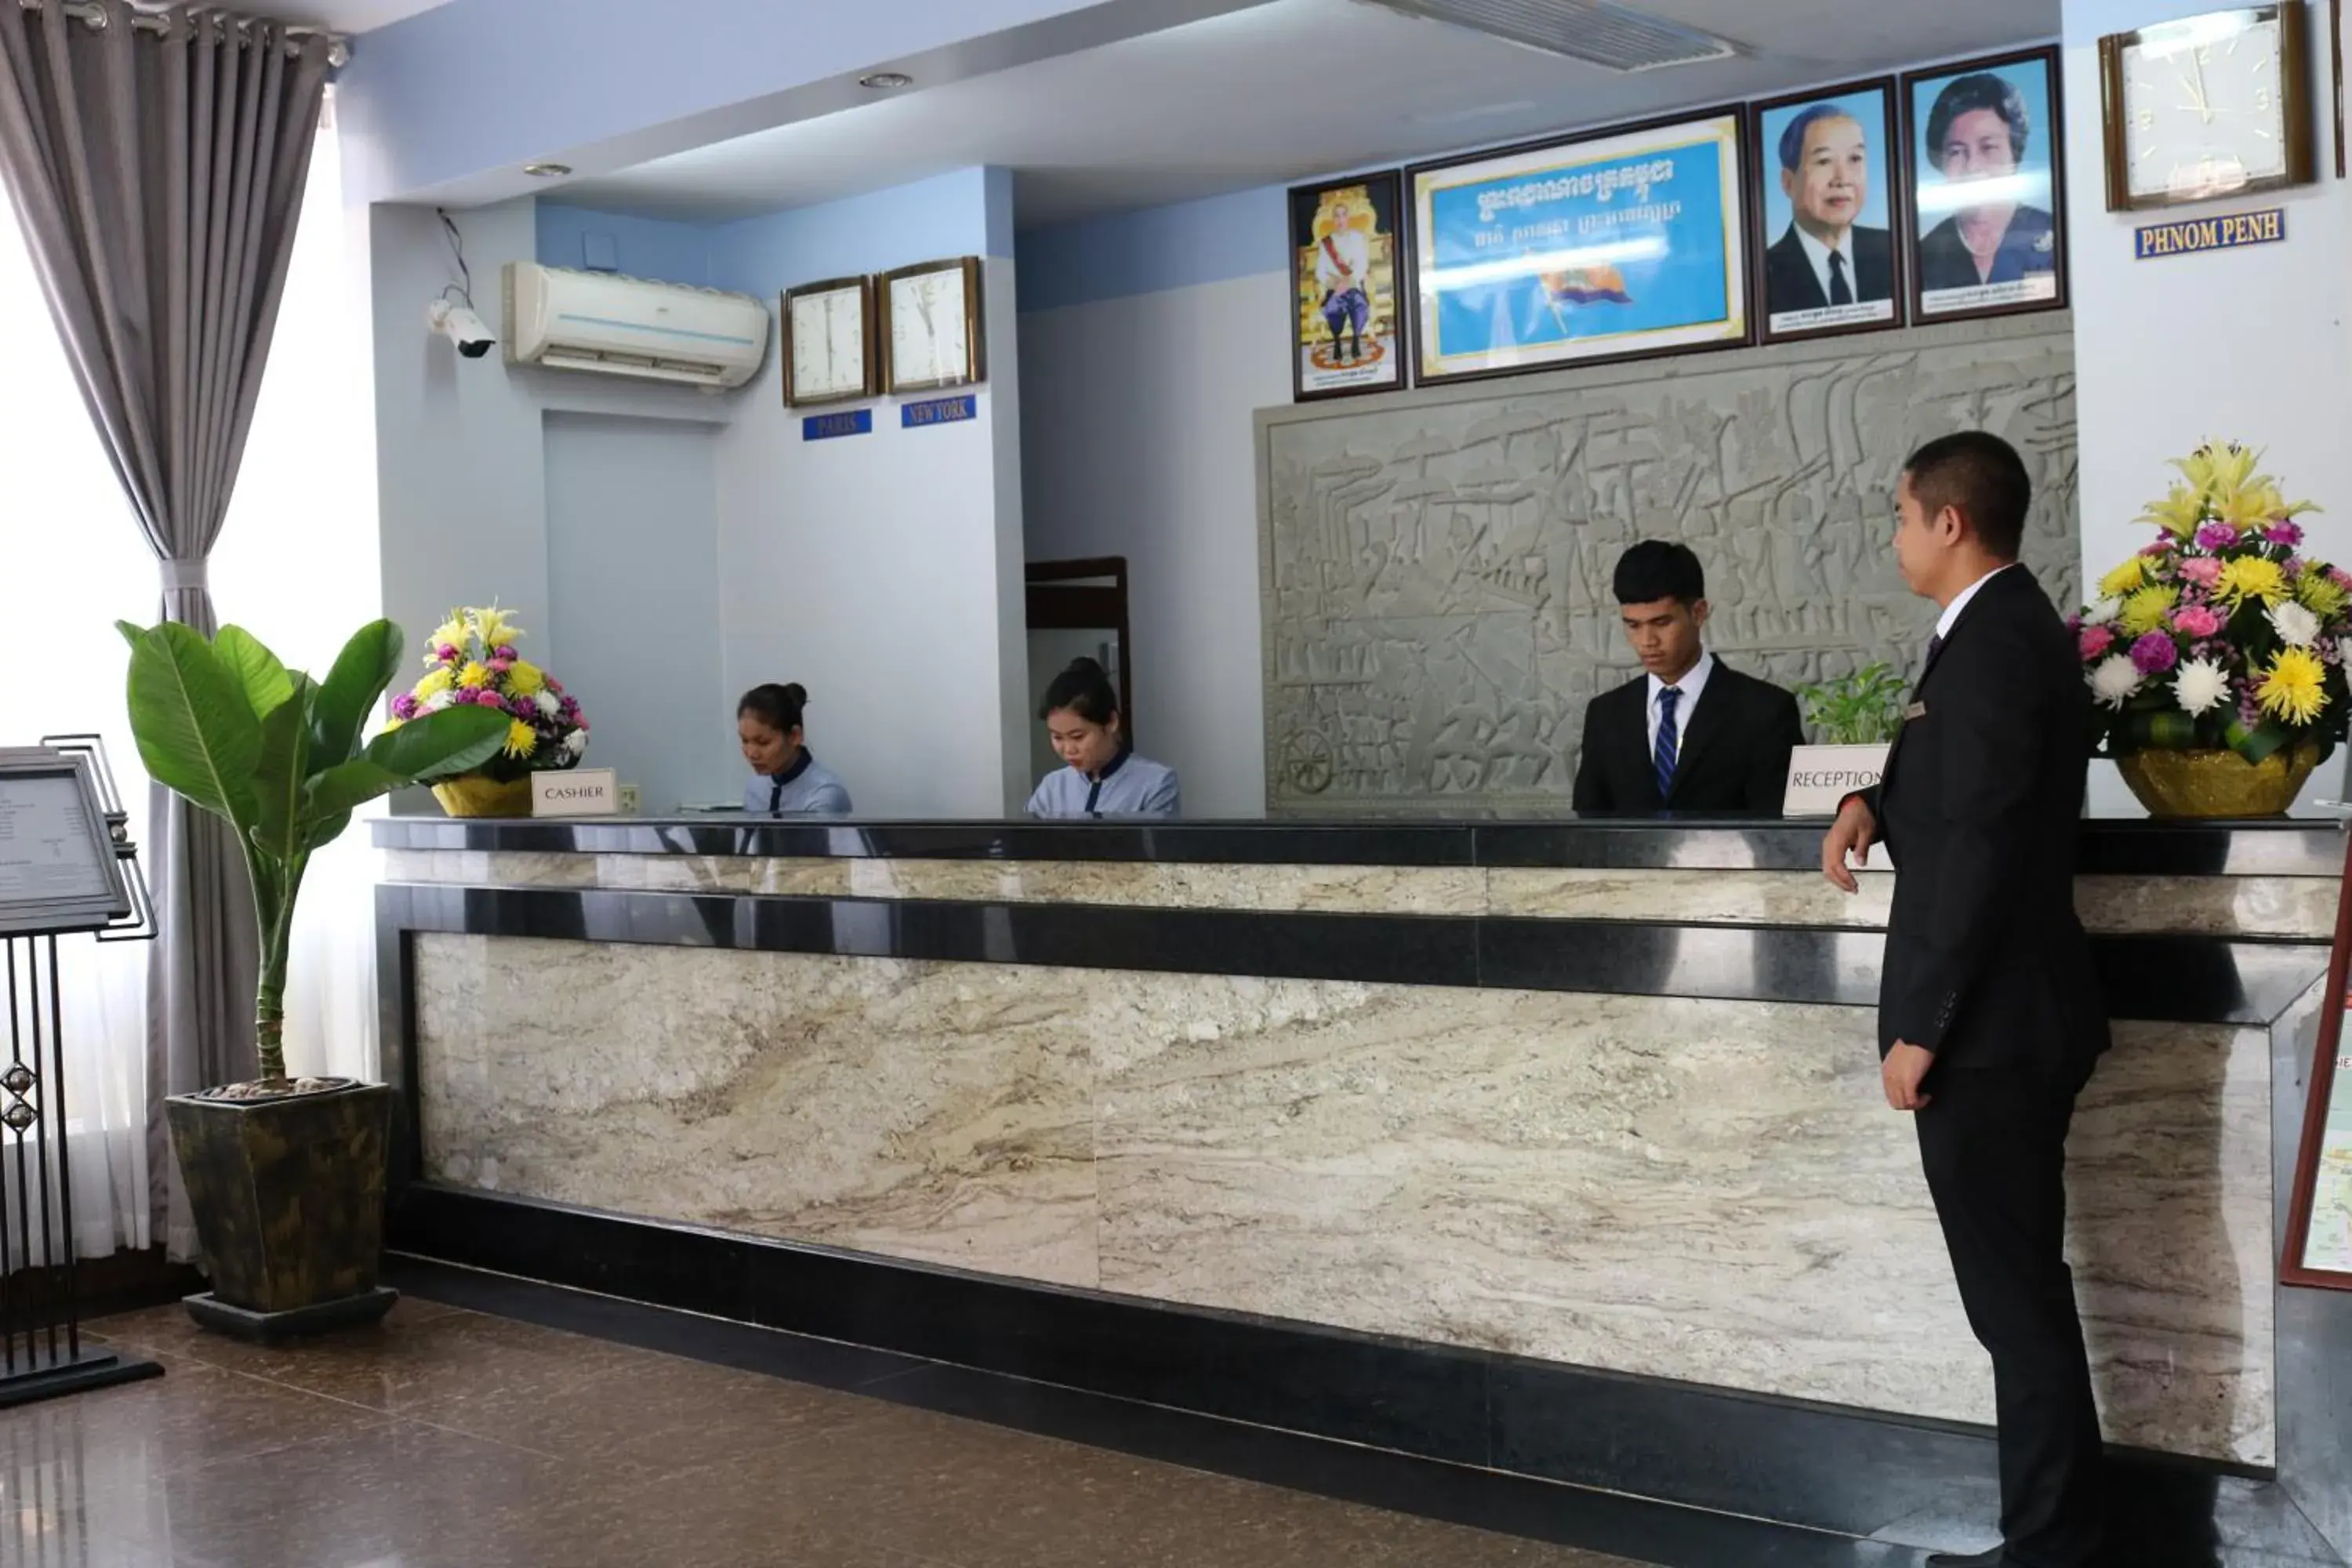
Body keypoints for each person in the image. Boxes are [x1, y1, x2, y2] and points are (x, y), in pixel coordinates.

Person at [1820, 432, 2107, 1568]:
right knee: (2021, 1302)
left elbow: (1987, 846)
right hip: (2004, 1025)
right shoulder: (1995, 629)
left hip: (1990, 1035)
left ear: (1950, 522)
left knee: (2018, 1311)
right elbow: (1957, 791)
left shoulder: (1993, 642)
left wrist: (1921, 1028)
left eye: (1899, 514)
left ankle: (2052, 1551)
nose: (1893, 534)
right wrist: (1871, 802)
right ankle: (2057, 1540)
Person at [1571, 541, 1804, 816]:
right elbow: (1588, 832)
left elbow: (1779, 834)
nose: (1647, 641)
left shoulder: (1766, 712)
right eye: (1633, 625)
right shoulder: (1605, 715)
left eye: (1662, 623)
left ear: (1699, 613)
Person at [1918, 73, 2058, 294]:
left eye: (1988, 148)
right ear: (1941, 161)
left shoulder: (2058, 236)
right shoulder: (1922, 256)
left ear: (2014, 152)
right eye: (1956, 152)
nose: (1973, 167)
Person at [1764, 103, 1894, 315]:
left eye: (1855, 159)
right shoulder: (1763, 275)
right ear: (1788, 182)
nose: (1842, 179)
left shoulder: (1895, 251)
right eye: (1824, 161)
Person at [1027, 657, 1179, 819]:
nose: (1068, 750)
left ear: (1112, 722)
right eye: (1057, 737)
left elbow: (1156, 843)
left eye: (1078, 737)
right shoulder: (1052, 786)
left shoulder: (1156, 782)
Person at [737, 683, 853, 815]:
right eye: (745, 741)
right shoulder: (756, 786)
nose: (751, 754)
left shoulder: (825, 792)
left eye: (763, 743)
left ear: (795, 736)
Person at [1314, 199, 1373, 365]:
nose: (1340, 220)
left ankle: (1356, 339)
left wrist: (1350, 280)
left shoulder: (1357, 238)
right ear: (1333, 220)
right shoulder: (1326, 243)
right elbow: (1320, 271)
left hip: (1353, 286)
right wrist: (1333, 283)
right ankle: (1337, 341)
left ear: (1348, 218)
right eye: (1337, 216)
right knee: (1332, 308)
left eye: (1343, 215)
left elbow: (1363, 264)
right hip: (1335, 289)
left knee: (1359, 305)